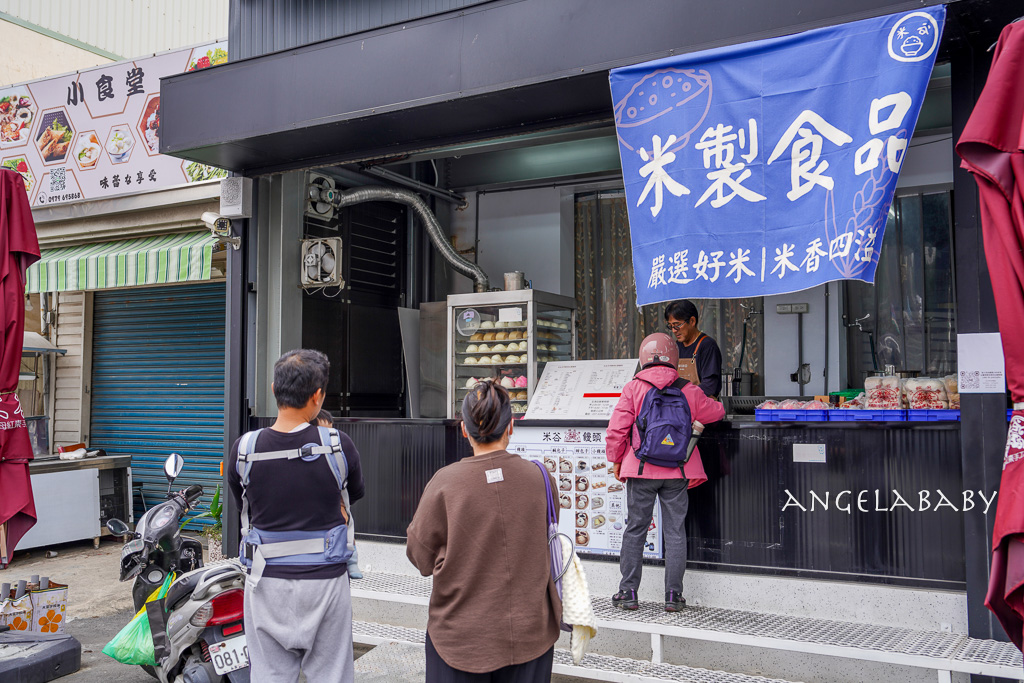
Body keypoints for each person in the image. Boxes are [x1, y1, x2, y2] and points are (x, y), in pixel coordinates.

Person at [407, 380, 561, 682]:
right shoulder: (540, 478)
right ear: (511, 426)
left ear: (464, 428)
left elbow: (420, 557)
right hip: (533, 631)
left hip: (461, 638)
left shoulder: (445, 483)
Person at [227, 349, 364, 683]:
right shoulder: (337, 445)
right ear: (317, 396)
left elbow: (243, 508)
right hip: (326, 582)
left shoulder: (244, 450)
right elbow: (353, 495)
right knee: (332, 676)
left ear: (274, 389)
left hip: (266, 583)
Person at [606, 333, 724, 612]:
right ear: (674, 357)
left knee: (635, 529)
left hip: (641, 469)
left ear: (643, 357)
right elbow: (717, 413)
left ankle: (628, 592)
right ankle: (673, 595)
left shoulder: (633, 388)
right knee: (674, 532)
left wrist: (615, 460)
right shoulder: (689, 390)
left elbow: (617, 430)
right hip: (678, 471)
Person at [314, 408, 362, 579]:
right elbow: (358, 490)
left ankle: (352, 559)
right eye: (322, 430)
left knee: (346, 520)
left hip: (337, 496)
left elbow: (356, 490)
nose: (329, 435)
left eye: (331, 430)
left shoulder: (337, 449)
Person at [664, 299, 723, 398]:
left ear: (692, 321)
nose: (674, 330)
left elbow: (709, 386)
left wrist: (682, 396)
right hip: (679, 406)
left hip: (701, 407)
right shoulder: (674, 347)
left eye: (677, 325)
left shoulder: (707, 346)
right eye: (671, 326)